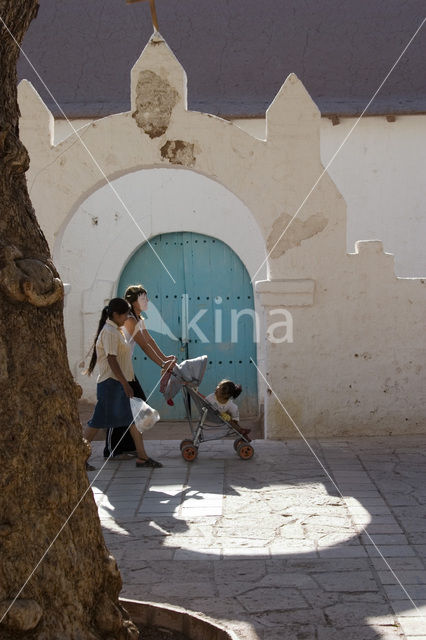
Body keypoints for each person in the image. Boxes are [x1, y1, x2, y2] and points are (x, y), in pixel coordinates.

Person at [84, 297, 162, 468]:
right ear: (115, 314)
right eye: (125, 315)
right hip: (111, 384)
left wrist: (127, 382)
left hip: (118, 383)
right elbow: (112, 360)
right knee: (97, 422)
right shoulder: (110, 332)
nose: (127, 318)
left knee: (132, 420)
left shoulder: (116, 330)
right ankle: (78, 457)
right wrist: (125, 384)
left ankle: (142, 457)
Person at [102, 284, 176, 458]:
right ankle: (112, 449)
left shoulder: (138, 319)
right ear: (133, 302)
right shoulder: (129, 319)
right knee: (127, 407)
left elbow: (148, 340)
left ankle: (126, 447)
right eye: (143, 298)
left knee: (136, 405)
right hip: (117, 370)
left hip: (127, 370)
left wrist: (165, 359)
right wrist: (162, 364)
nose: (147, 301)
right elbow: (143, 345)